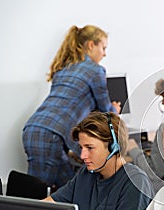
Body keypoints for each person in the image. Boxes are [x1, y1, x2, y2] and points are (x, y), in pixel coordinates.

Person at [23, 25, 121, 187]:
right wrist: (115, 110)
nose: (104, 54)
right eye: (103, 48)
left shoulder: (63, 69)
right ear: (91, 45)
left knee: (67, 187)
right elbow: (105, 110)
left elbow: (70, 108)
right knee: (56, 193)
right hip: (50, 135)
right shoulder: (95, 71)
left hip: (34, 129)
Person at [44, 111, 154, 210]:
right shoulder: (86, 174)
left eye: (90, 148)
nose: (82, 156)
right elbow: (48, 204)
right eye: (81, 148)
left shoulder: (135, 181)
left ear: (114, 147)